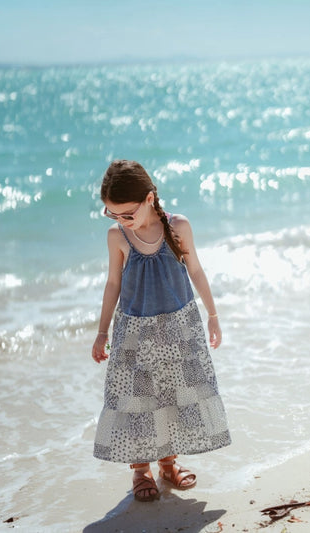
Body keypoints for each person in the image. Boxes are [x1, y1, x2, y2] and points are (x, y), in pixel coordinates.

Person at [91, 159, 231, 502]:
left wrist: (212, 314)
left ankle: (168, 464)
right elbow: (112, 283)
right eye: (113, 214)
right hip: (135, 331)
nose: (121, 220)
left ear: (150, 198)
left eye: (127, 213)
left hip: (178, 327)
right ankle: (141, 470)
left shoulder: (178, 226)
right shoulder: (118, 236)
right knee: (137, 399)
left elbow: (195, 270)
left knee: (173, 393)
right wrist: (101, 331)